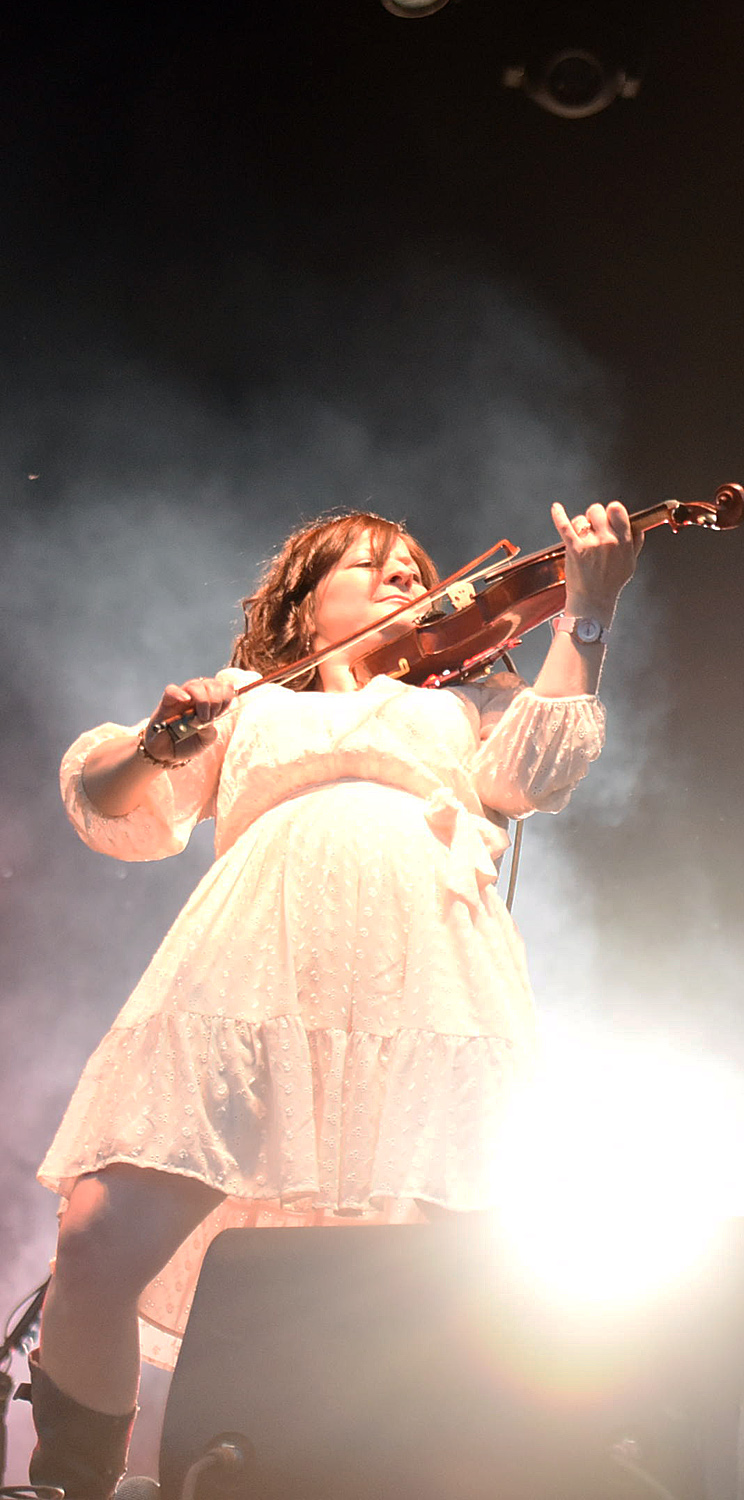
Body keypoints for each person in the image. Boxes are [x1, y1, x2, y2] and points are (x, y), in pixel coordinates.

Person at [29, 501, 641, 1499]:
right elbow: (107, 802)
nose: (407, 575)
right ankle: (70, 1485)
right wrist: (158, 739)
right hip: (248, 972)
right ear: (306, 611)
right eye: (373, 566)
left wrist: (589, 611)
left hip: (428, 981)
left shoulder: (469, 692)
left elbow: (542, 769)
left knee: (450, 1284)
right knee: (97, 1241)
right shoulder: (249, 697)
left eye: (415, 567)